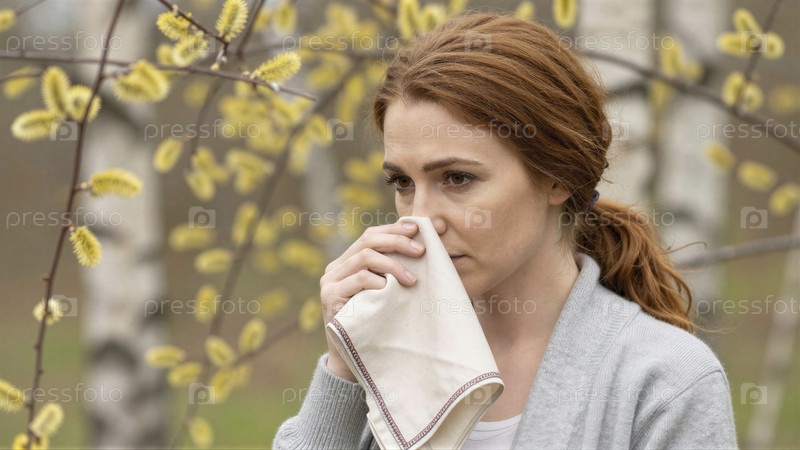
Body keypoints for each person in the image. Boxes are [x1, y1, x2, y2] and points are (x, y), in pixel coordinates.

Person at [273, 11, 738, 450]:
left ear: (556, 177)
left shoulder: (665, 381)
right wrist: (343, 368)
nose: (421, 220)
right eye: (403, 183)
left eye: (457, 178)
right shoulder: (383, 352)